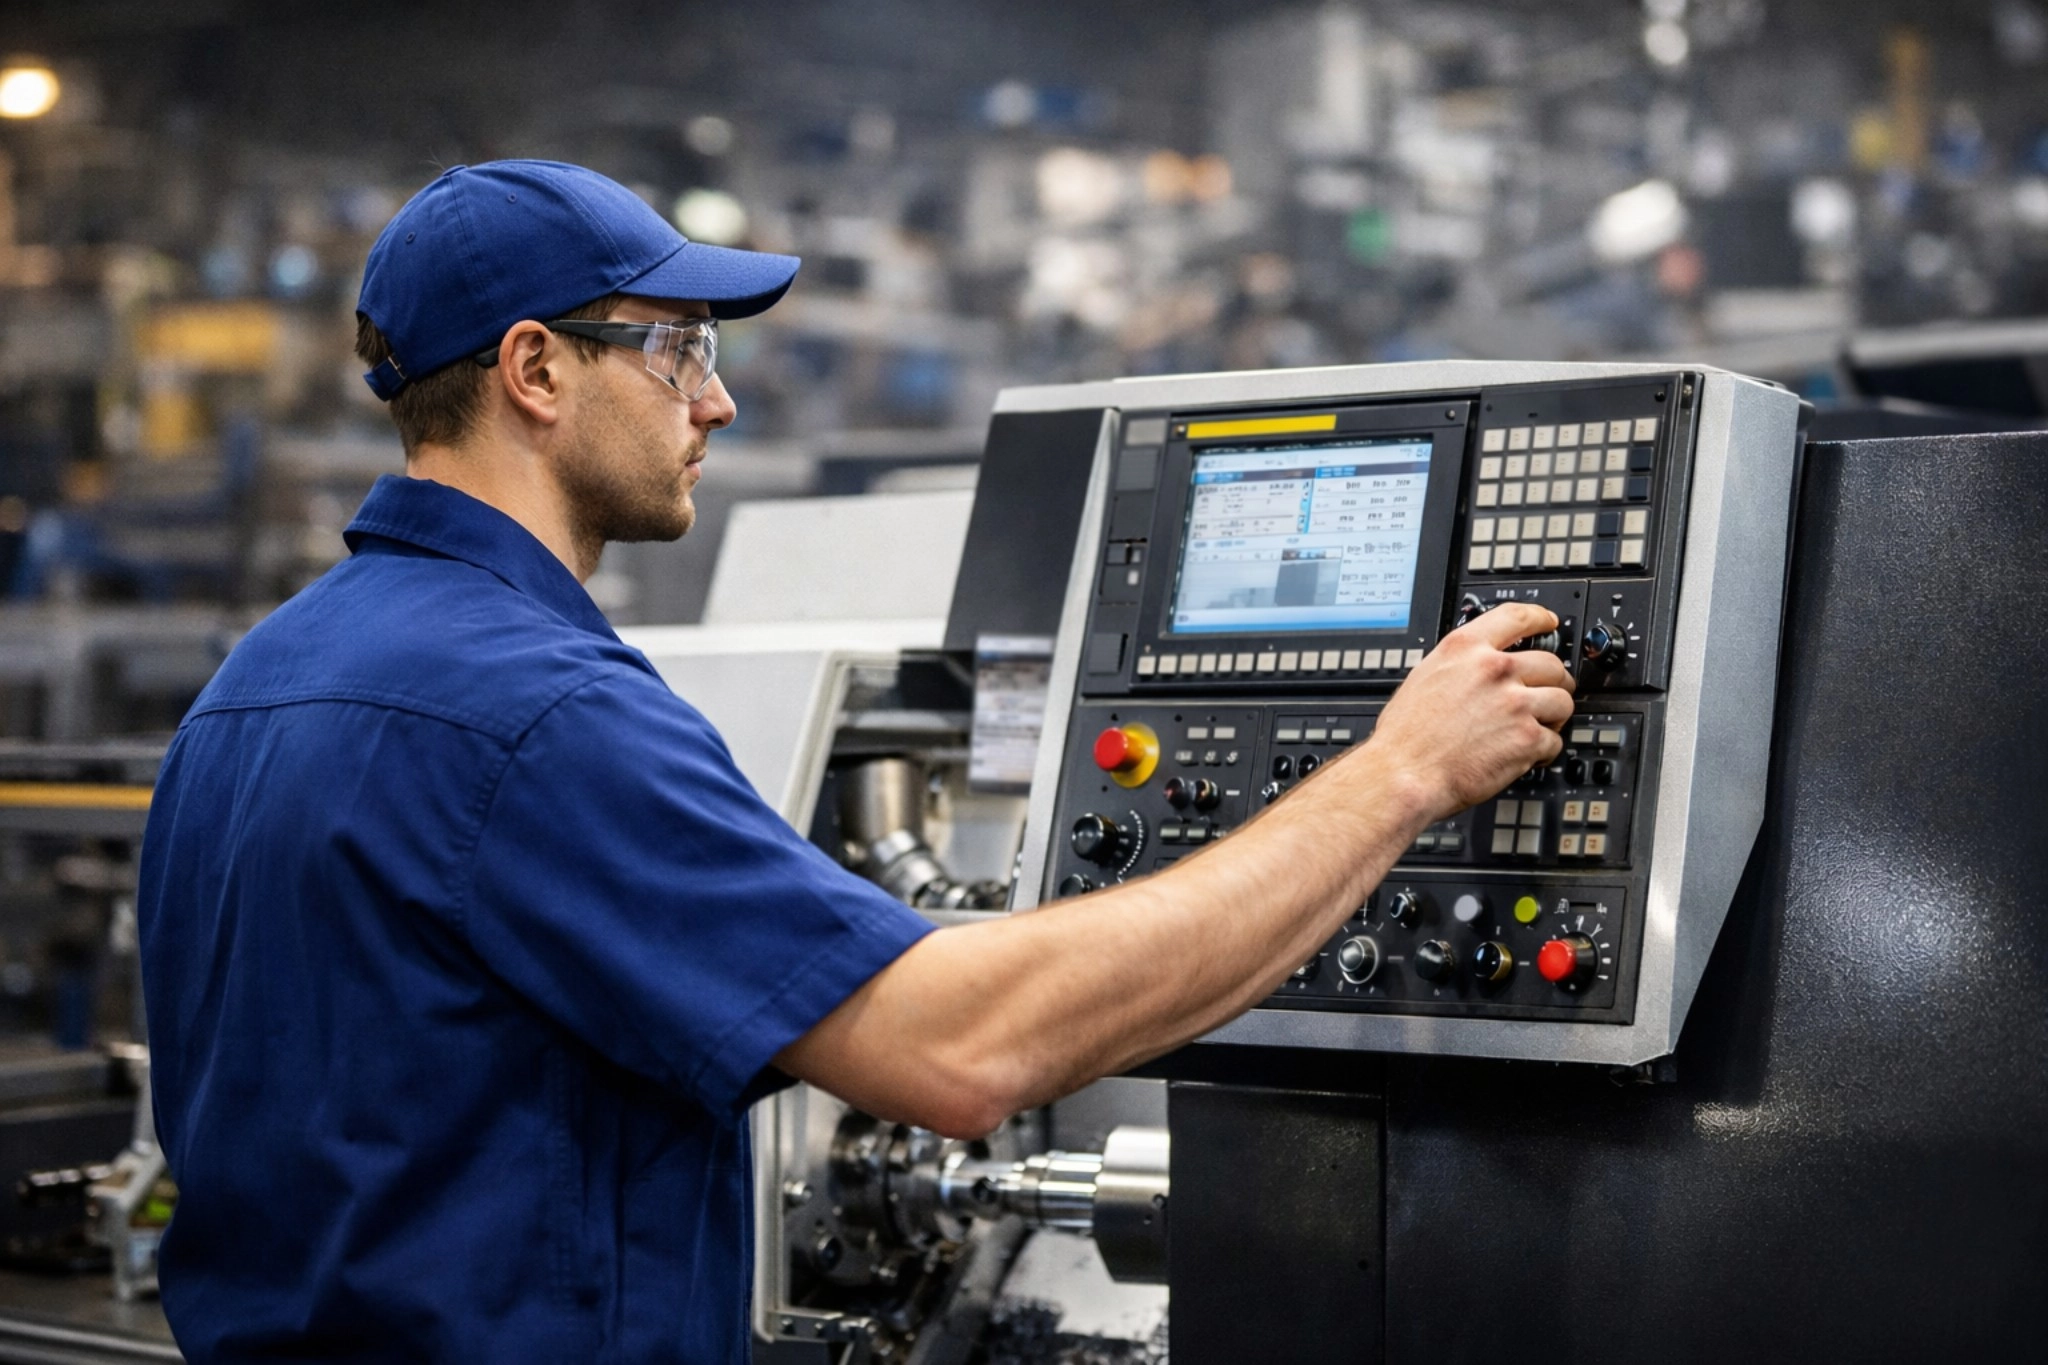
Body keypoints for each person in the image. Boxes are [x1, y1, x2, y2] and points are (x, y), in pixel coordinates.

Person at [137, 160, 1573, 1364]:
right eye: (680, 348)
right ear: (534, 370)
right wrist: (1397, 777)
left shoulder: (251, 694)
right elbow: (960, 1050)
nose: (718, 403)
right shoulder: (537, 715)